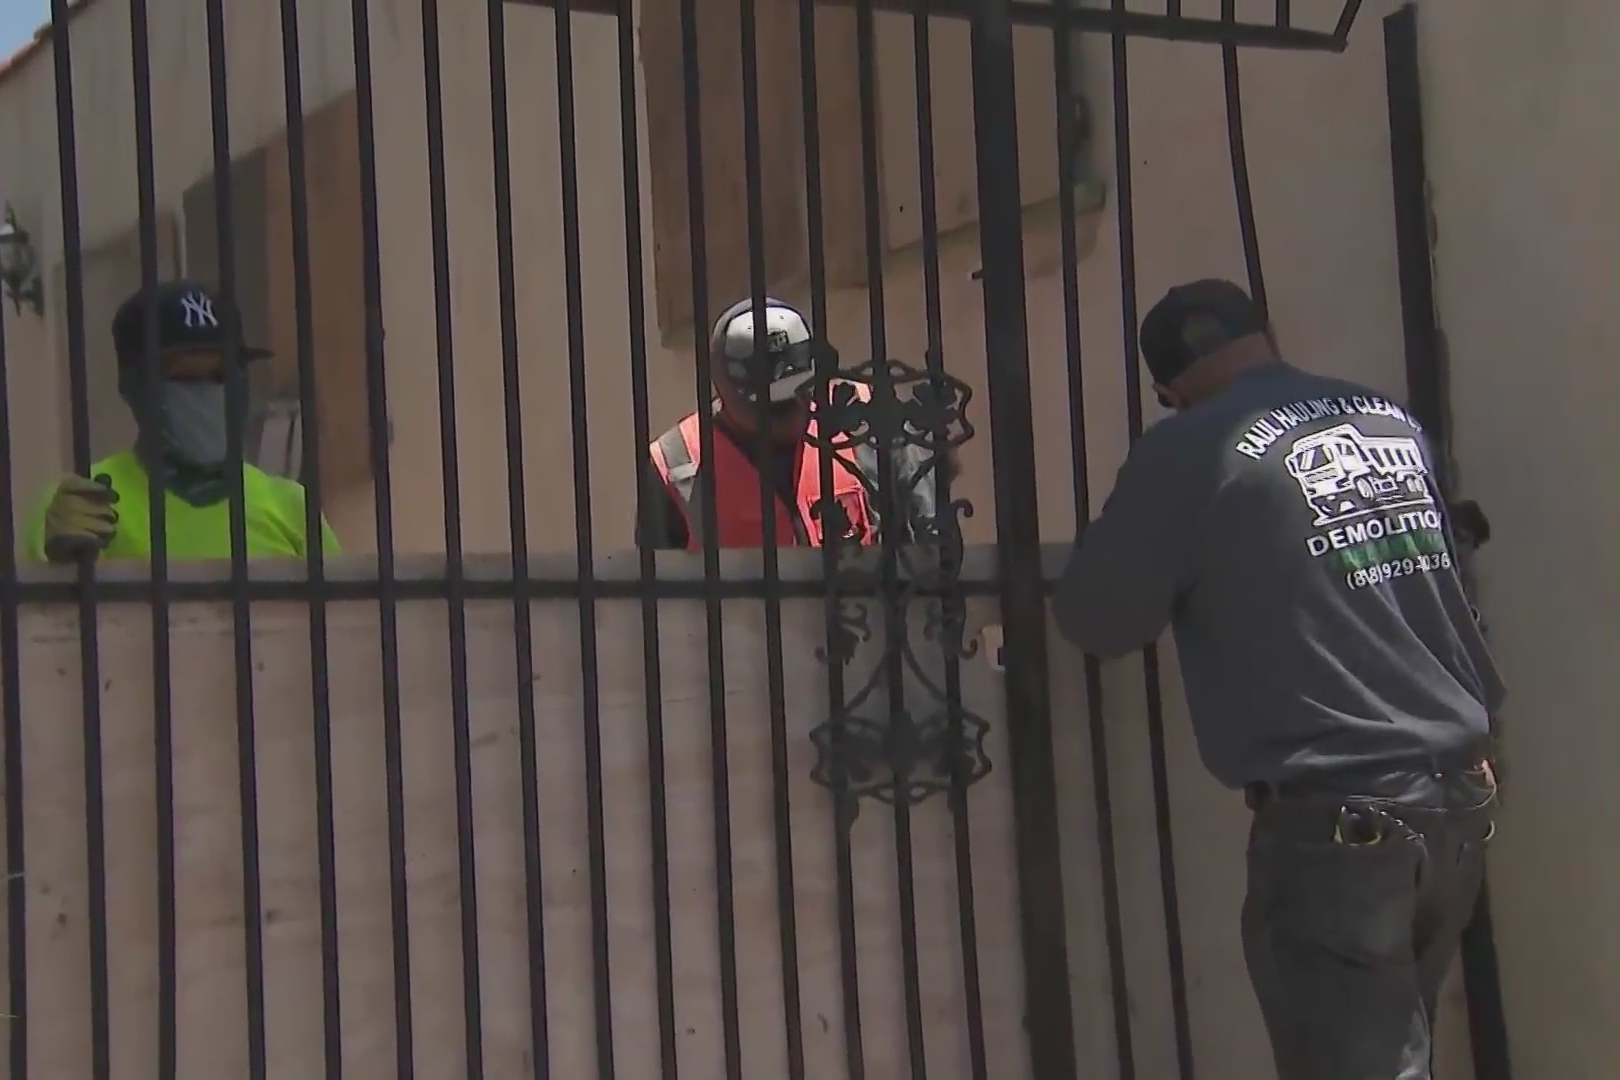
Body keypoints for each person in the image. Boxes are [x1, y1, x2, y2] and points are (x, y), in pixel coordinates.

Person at [1053, 278, 1503, 1080]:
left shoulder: (1192, 447)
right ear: (1264, 339)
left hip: (1341, 820)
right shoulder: (1388, 420)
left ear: (1169, 390)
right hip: (1455, 798)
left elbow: (1101, 619)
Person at [24, 280, 340, 562]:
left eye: (222, 375)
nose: (209, 395)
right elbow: (27, 622)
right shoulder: (83, 505)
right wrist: (61, 572)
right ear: (135, 388)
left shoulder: (292, 509)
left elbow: (342, 621)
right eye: (184, 379)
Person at [636, 296, 954, 551]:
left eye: (798, 396)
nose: (787, 412)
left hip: (860, 626)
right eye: (766, 405)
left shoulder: (865, 419)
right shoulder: (675, 463)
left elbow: (923, 538)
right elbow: (655, 602)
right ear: (722, 388)